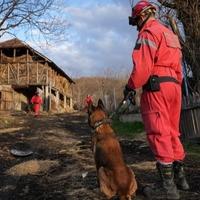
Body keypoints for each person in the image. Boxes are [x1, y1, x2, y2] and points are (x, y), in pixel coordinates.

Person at [123, 1, 189, 199]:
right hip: (174, 87)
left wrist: (130, 86)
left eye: (136, 22)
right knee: (172, 132)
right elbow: (179, 67)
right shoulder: (170, 34)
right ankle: (181, 179)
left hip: (156, 87)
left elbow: (142, 68)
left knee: (158, 132)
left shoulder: (148, 33)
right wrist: (176, 85)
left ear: (141, 16)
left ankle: (167, 189)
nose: (137, 27)